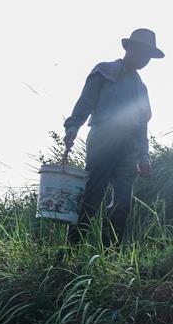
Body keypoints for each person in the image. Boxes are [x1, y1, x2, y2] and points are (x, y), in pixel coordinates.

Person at [63, 28, 165, 246]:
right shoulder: (104, 71)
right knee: (92, 196)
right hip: (103, 139)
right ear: (130, 49)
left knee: (122, 204)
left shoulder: (141, 88)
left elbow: (141, 126)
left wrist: (143, 156)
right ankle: (71, 250)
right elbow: (85, 102)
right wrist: (72, 127)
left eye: (149, 56)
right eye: (143, 53)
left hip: (128, 147)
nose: (145, 59)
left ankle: (110, 255)